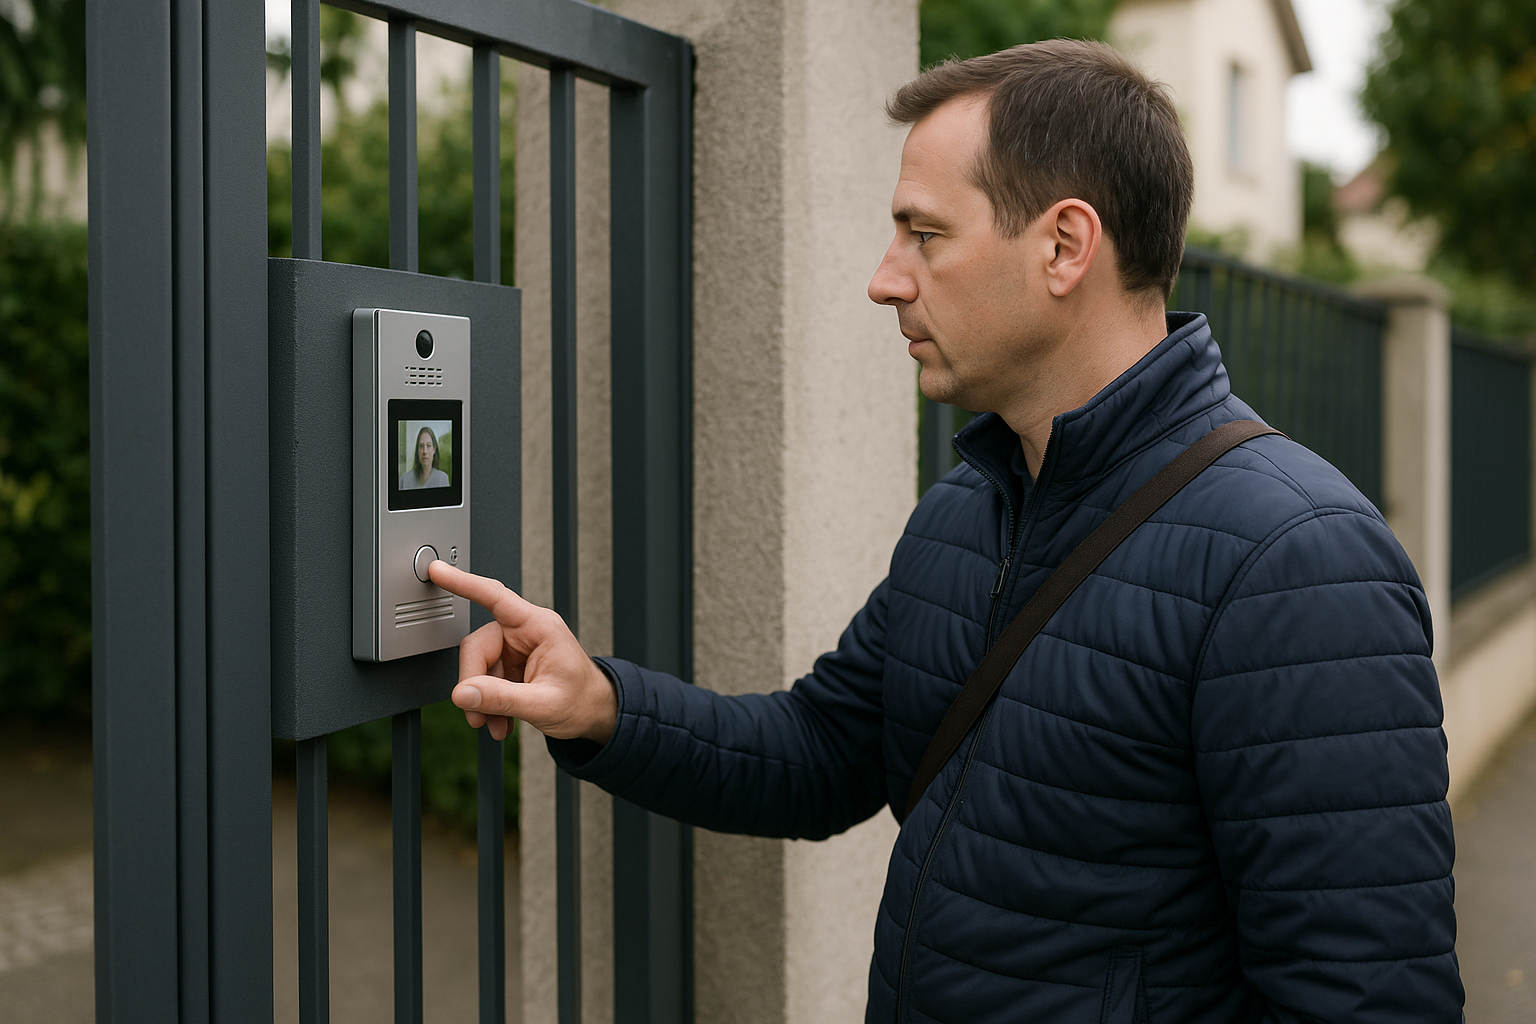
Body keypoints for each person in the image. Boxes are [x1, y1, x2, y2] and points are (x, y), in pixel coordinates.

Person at [430, 39, 1463, 1024]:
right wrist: (601, 703)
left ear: (1064, 245)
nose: (886, 277)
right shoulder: (968, 508)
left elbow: (1364, 997)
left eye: (925, 235)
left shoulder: (1297, 560)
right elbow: (828, 748)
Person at [400, 425, 449, 490]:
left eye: (428, 446)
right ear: (417, 450)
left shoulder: (442, 479)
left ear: (434, 449)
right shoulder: (405, 480)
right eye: (421, 446)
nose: (424, 451)